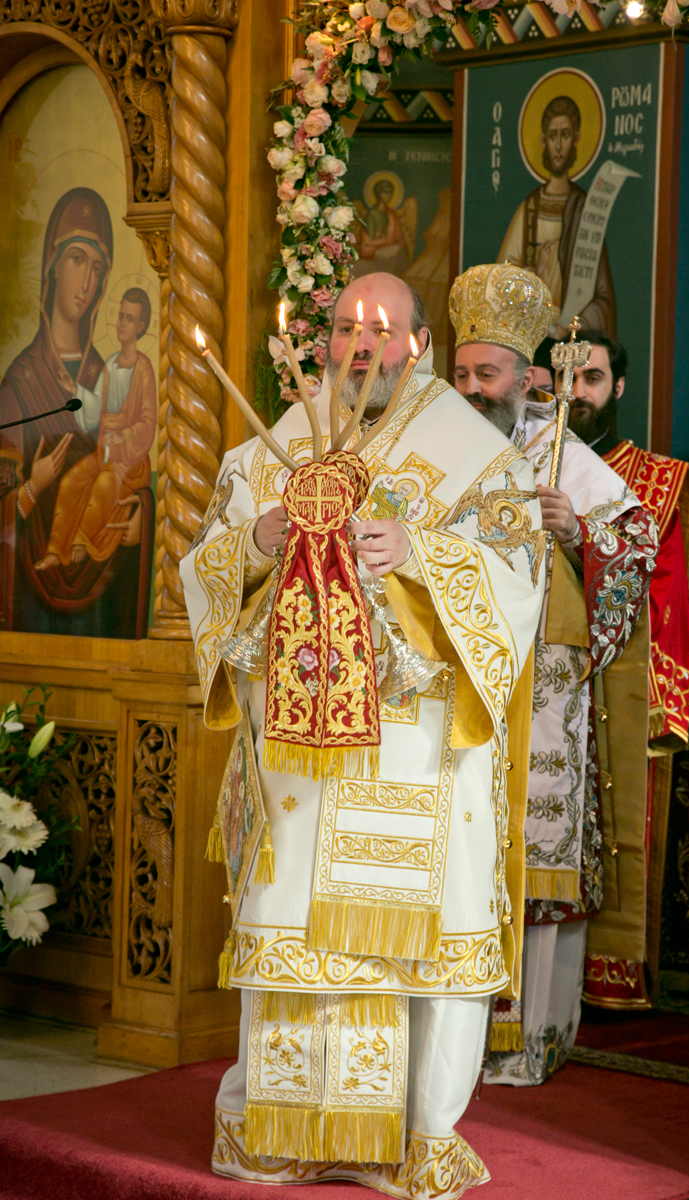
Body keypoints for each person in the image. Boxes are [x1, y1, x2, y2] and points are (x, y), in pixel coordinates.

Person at [180, 271, 547, 1195]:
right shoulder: (279, 440)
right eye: (344, 326)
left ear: (417, 342)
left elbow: (519, 573)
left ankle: (417, 1137)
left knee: (418, 943)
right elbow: (205, 566)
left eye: (379, 330)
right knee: (296, 926)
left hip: (418, 748)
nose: (359, 344)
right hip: (302, 751)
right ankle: (285, 1128)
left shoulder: (469, 449)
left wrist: (419, 553)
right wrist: (258, 543)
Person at [449, 263, 658, 1085]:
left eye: (485, 374)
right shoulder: (432, 446)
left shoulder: (555, 445)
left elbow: (635, 543)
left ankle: (526, 1039)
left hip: (543, 685)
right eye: (460, 374)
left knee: (533, 854)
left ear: (522, 376)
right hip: (459, 677)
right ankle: (450, 1042)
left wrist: (578, 534)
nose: (471, 388)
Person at [561, 329, 689, 1010]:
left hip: (618, 675)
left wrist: (664, 704)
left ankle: (606, 972)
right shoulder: (526, 463)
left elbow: (666, 596)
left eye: (591, 378)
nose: (575, 393)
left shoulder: (658, 480)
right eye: (565, 377)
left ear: (617, 387)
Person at [0, 187, 154, 637]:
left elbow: (135, 463)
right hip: (28, 619)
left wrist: (143, 515)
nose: (86, 282)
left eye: (98, 268)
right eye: (76, 259)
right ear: (52, 265)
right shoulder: (18, 383)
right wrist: (32, 488)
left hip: (102, 604)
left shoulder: (103, 374)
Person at [36, 287, 157, 571]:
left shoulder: (144, 369)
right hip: (103, 452)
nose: (121, 323)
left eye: (129, 319)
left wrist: (124, 435)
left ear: (140, 326)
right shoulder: (110, 364)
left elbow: (149, 422)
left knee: (104, 486)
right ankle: (55, 551)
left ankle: (81, 540)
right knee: (70, 481)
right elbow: (94, 412)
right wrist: (73, 390)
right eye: (120, 316)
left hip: (129, 461)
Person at [497, 96, 615, 339]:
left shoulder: (585, 211)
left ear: (576, 139)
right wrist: (522, 282)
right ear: (543, 141)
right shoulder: (530, 208)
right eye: (552, 136)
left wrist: (574, 324)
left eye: (565, 135)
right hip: (532, 334)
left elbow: (602, 297)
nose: (559, 145)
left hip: (570, 337)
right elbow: (501, 278)